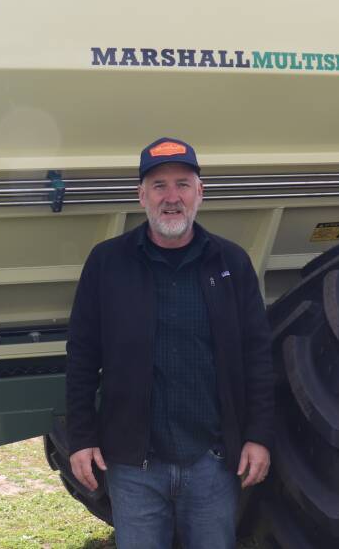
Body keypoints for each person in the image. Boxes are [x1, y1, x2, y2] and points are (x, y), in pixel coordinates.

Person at [64, 137, 275, 549]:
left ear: (200, 192)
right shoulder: (107, 263)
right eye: (159, 185)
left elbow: (257, 357)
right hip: (134, 469)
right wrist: (81, 438)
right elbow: (82, 357)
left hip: (213, 464)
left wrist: (259, 435)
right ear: (141, 196)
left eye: (182, 184)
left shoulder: (231, 263)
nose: (172, 197)